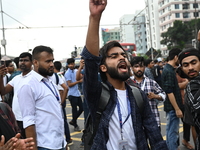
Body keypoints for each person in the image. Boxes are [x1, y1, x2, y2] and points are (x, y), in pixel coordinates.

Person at [81, 0, 168, 149]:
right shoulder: (97, 93)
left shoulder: (138, 96)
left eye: (123, 55)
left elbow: (155, 137)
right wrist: (95, 17)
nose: (121, 57)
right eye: (113, 56)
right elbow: (90, 60)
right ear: (103, 68)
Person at [18, 46, 66, 150]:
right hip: (44, 145)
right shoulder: (28, 85)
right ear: (35, 63)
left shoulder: (50, 81)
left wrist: (63, 142)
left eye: (52, 61)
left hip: (58, 143)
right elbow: (28, 120)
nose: (52, 64)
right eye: (48, 61)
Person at [0, 52, 33, 138]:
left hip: (31, 120)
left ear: (32, 62)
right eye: (21, 60)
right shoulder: (16, 79)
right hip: (17, 119)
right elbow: (3, 91)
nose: (22, 62)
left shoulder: (35, 78)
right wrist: (0, 76)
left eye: (26, 60)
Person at [128, 56, 166, 129]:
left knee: (157, 140)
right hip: (136, 124)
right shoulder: (128, 83)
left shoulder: (151, 82)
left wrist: (156, 96)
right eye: (136, 66)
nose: (139, 69)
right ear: (132, 68)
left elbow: (163, 95)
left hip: (153, 121)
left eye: (141, 66)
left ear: (144, 67)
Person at [161, 48, 184, 150]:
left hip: (171, 107)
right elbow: (169, 92)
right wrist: (177, 109)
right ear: (176, 57)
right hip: (172, 108)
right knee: (172, 133)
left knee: (171, 131)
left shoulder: (168, 69)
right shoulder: (169, 71)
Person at [178, 48, 200, 149]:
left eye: (194, 63)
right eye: (186, 65)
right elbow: (193, 126)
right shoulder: (192, 87)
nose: (190, 68)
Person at [53, 61, 73, 146]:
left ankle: (67, 138)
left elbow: (62, 90)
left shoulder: (56, 76)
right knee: (63, 120)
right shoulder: (60, 75)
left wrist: (61, 102)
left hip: (59, 102)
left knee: (62, 121)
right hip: (61, 101)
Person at [64, 58, 83, 131]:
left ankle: (73, 120)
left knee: (82, 108)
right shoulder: (67, 73)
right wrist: (78, 81)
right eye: (69, 64)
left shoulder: (76, 71)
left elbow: (81, 77)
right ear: (67, 65)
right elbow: (69, 84)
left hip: (77, 93)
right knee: (74, 110)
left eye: (72, 64)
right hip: (71, 94)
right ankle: (75, 124)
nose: (71, 65)